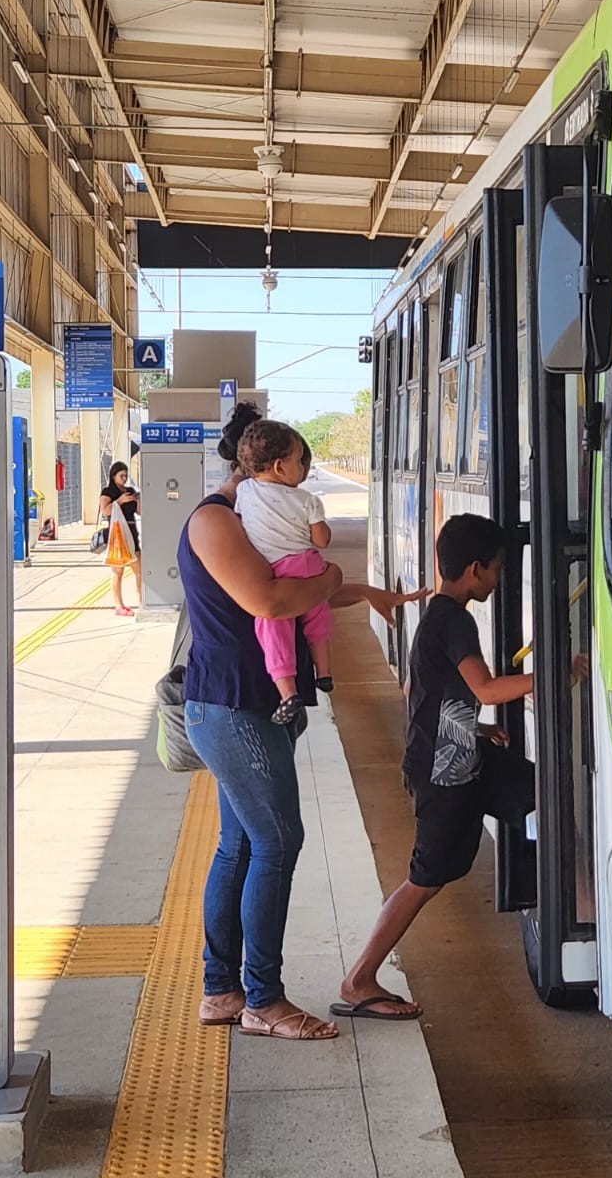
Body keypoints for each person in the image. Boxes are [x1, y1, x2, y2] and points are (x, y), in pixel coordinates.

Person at [181, 401, 420, 1041]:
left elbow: (296, 582)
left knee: (241, 845)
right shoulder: (214, 520)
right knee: (278, 843)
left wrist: (361, 591)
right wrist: (338, 572)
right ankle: (262, 998)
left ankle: (223, 991)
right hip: (233, 705)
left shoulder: (253, 521)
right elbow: (269, 598)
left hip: (255, 705)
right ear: (260, 470)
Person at [333, 513, 586, 1022]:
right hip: (444, 773)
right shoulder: (454, 619)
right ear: (474, 570)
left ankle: (571, 913)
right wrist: (560, 672)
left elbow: (421, 693)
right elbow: (487, 689)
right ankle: (359, 979)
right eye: (496, 569)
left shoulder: (440, 615)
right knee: (425, 878)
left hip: (463, 754)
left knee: (543, 797)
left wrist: (472, 728)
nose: (500, 578)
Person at [233, 420, 335, 725]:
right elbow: (322, 540)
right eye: (299, 459)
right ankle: (325, 673)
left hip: (278, 571)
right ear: (280, 466)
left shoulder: (244, 491)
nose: (303, 467)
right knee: (317, 617)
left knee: (274, 627)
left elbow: (241, 525)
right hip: (309, 566)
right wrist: (319, 524)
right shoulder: (308, 500)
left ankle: (288, 692)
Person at [99, 462, 142, 616]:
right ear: (113, 476)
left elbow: (139, 512)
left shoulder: (130, 491)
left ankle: (141, 601)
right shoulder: (108, 492)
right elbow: (105, 511)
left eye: (126, 475)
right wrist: (119, 501)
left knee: (139, 568)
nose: (124, 479)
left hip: (131, 531)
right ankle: (119, 605)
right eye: (121, 476)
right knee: (118, 571)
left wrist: (137, 500)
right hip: (117, 533)